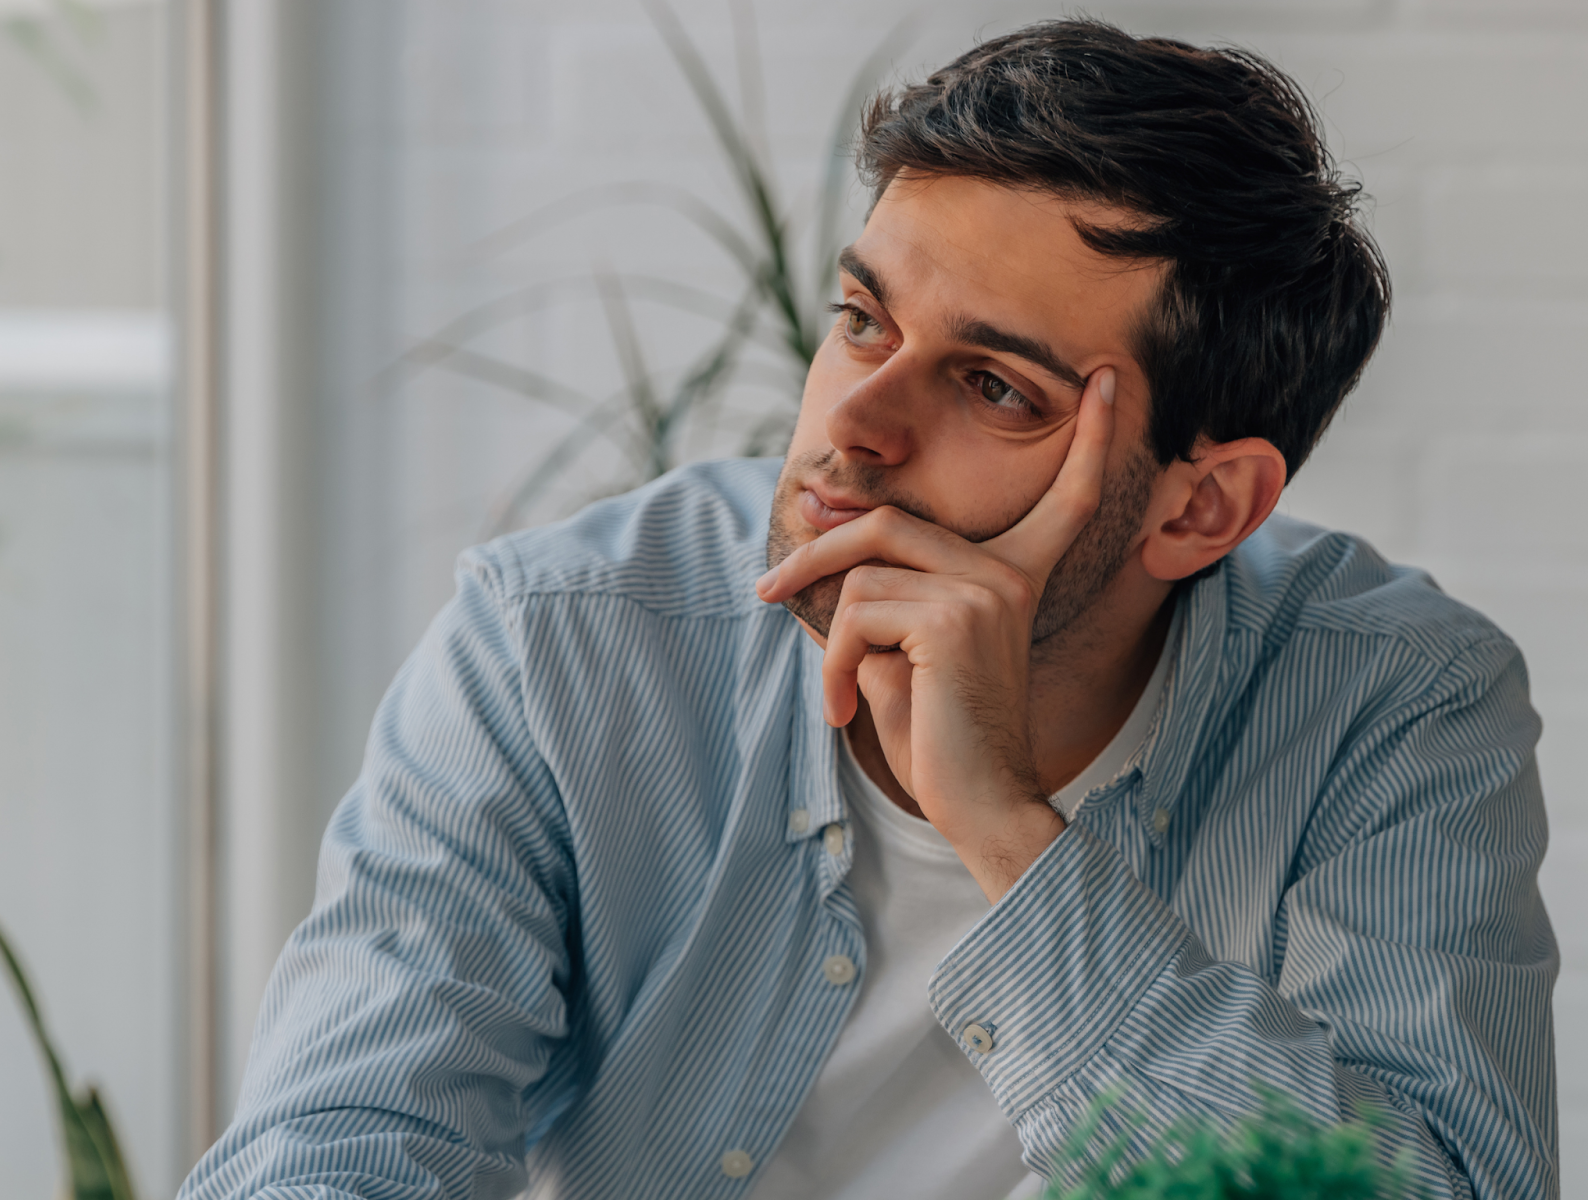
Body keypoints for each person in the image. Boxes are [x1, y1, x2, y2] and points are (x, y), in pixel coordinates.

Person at [180, 19, 1557, 1200]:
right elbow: (333, 1145)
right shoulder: (564, 640)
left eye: (993, 387)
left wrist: (1011, 833)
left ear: (1197, 508)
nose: (855, 425)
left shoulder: (1390, 698)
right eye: (860, 320)